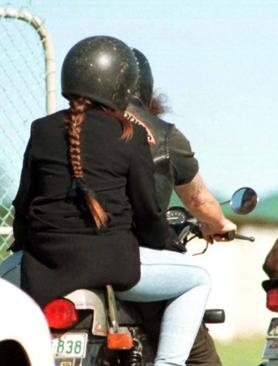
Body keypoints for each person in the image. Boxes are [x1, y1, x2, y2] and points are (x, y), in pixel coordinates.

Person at [12, 35, 211, 366]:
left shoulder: (41, 130)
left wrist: (23, 248)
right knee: (197, 280)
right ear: (123, 87)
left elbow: (23, 207)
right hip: (115, 267)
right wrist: (168, 246)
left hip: (43, 267)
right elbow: (148, 215)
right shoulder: (129, 134)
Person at [125, 48, 237, 366]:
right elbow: (199, 200)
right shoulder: (162, 135)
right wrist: (220, 224)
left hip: (61, 259)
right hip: (136, 260)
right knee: (200, 352)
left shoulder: (73, 128)